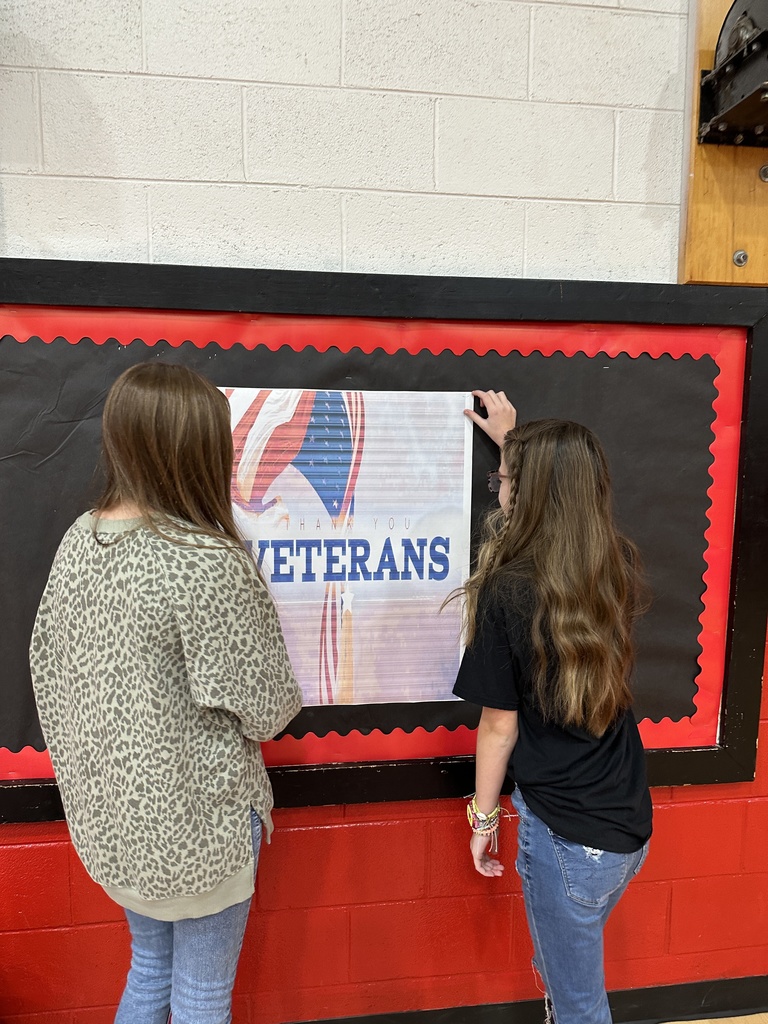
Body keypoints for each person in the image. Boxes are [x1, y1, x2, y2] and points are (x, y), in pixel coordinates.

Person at [29, 362, 303, 1024]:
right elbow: (268, 711)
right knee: (203, 994)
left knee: (149, 968)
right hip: (198, 826)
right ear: (197, 447)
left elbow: (47, 668)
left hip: (115, 820)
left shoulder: (80, 540)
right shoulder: (204, 559)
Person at [453, 390, 652, 1024]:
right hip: (624, 827)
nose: (500, 489)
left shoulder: (507, 590)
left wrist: (482, 820)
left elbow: (497, 725)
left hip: (566, 838)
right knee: (571, 987)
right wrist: (515, 445)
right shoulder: (610, 563)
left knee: (578, 1007)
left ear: (530, 494)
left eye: (506, 480)